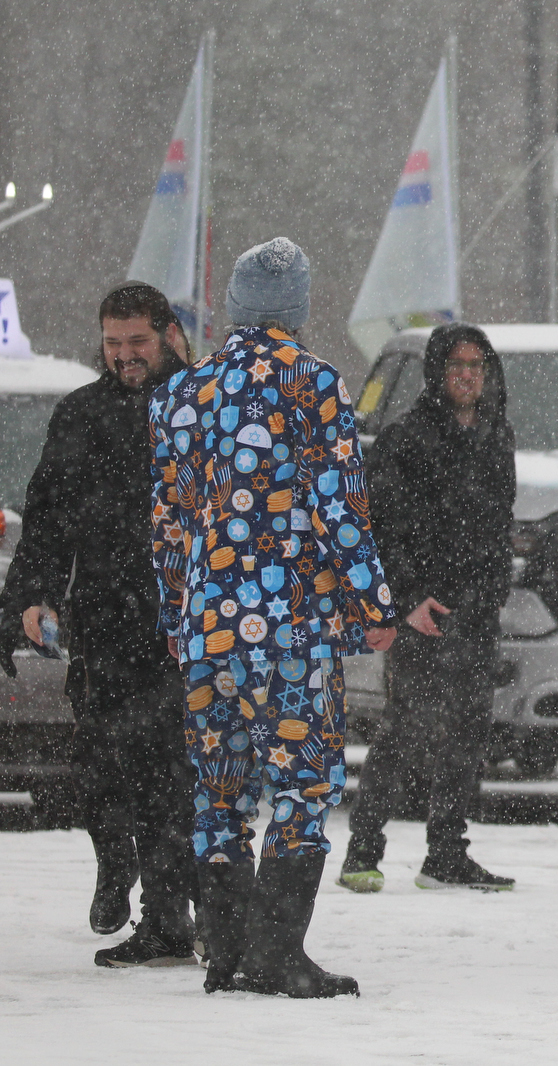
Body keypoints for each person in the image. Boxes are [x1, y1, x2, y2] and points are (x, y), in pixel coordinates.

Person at [149, 237, 398, 997]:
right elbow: (339, 507)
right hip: (288, 627)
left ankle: (224, 951)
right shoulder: (315, 383)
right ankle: (278, 953)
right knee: (301, 784)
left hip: (205, 629)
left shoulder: (182, 392)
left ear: (234, 306)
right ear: (297, 306)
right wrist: (373, 602)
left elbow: (168, 518)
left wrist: (175, 612)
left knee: (219, 788)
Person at [0, 282, 194, 967]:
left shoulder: (199, 409)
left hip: (183, 624)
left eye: (137, 342)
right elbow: (46, 517)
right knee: (101, 769)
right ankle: (117, 863)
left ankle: (169, 919)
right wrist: (30, 595)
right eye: (113, 345)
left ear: (166, 334)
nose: (125, 357)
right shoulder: (80, 415)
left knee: (169, 774)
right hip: (103, 621)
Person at [341, 323, 516, 893]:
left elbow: (497, 525)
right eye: (456, 365)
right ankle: (362, 851)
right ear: (437, 372)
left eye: (477, 365)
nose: (467, 375)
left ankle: (447, 852)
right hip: (424, 609)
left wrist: (491, 595)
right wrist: (406, 600)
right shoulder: (406, 439)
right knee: (406, 729)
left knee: (468, 732)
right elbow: (380, 530)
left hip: (477, 610)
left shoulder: (496, 436)